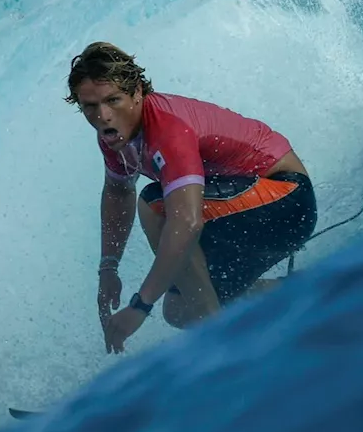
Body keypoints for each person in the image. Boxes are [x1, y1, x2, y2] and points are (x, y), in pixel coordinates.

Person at [65, 41, 317, 353]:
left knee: (156, 205)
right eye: (90, 106)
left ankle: (222, 349)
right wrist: (108, 269)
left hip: (286, 201)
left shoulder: (168, 130)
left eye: (113, 100)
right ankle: (302, 290)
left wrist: (139, 307)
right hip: (237, 212)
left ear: (138, 93)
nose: (102, 115)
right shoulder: (114, 135)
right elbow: (118, 192)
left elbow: (186, 222)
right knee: (179, 308)